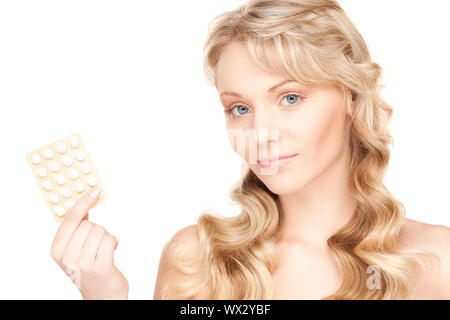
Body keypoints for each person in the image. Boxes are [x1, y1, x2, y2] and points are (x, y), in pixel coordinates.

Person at [153, 0, 449, 299]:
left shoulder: (438, 262)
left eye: (290, 98)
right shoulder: (195, 263)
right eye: (240, 108)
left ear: (352, 97)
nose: (260, 134)